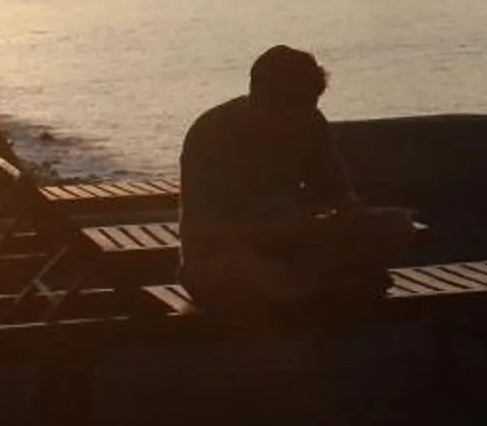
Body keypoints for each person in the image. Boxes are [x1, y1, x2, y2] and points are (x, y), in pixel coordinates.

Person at [178, 46, 418, 315]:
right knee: (243, 271)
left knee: (396, 224)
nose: (299, 119)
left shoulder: (310, 122)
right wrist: (276, 228)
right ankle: (326, 284)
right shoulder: (211, 133)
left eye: (308, 106)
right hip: (224, 254)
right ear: (261, 99)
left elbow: (336, 191)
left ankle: (313, 284)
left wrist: (348, 214)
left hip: (295, 247)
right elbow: (205, 230)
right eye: (290, 109)